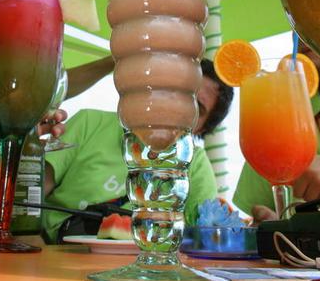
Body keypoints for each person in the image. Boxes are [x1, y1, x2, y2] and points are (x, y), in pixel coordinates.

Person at [41, 58, 234, 244]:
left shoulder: (196, 164)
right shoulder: (88, 123)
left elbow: (203, 238)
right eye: (178, 92)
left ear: (201, 129)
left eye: (196, 106)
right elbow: (32, 195)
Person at [233, 39, 320, 222]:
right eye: (295, 24)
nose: (301, 32)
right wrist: (278, 226)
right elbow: (255, 218)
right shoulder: (277, 110)